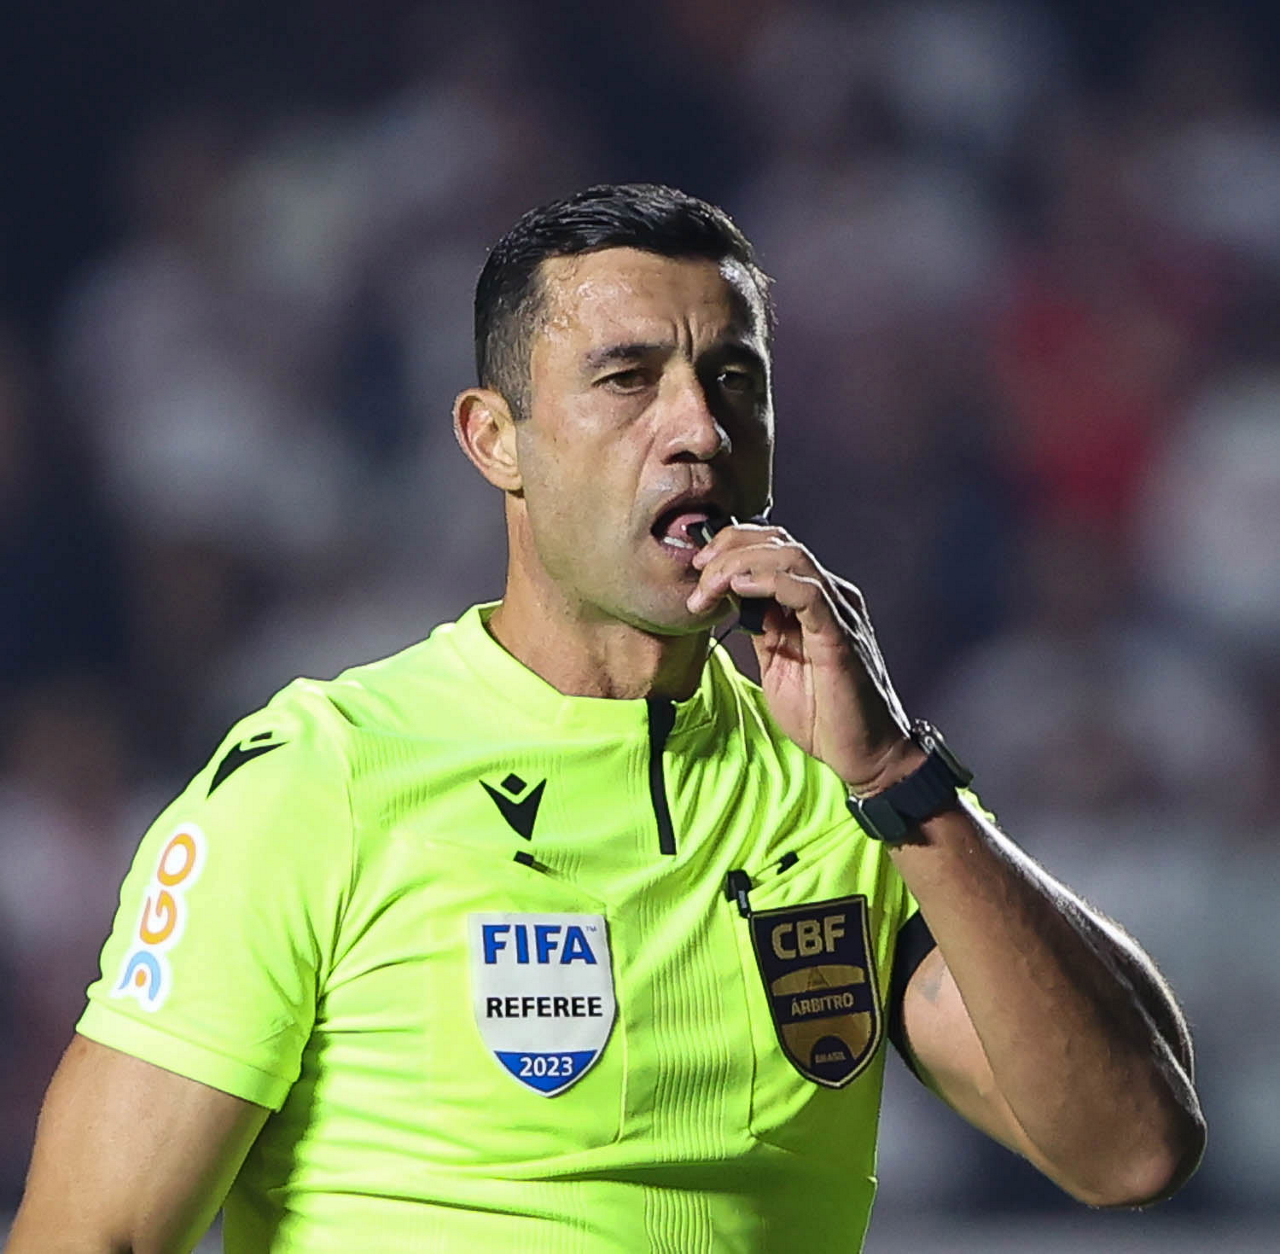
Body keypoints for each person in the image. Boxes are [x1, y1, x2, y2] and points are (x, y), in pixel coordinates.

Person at [7, 183, 1205, 1253]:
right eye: (628, 379)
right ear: (494, 440)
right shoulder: (323, 776)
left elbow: (1131, 1151)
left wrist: (894, 768)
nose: (697, 429)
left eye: (733, 380)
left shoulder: (854, 798)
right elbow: (92, 1233)